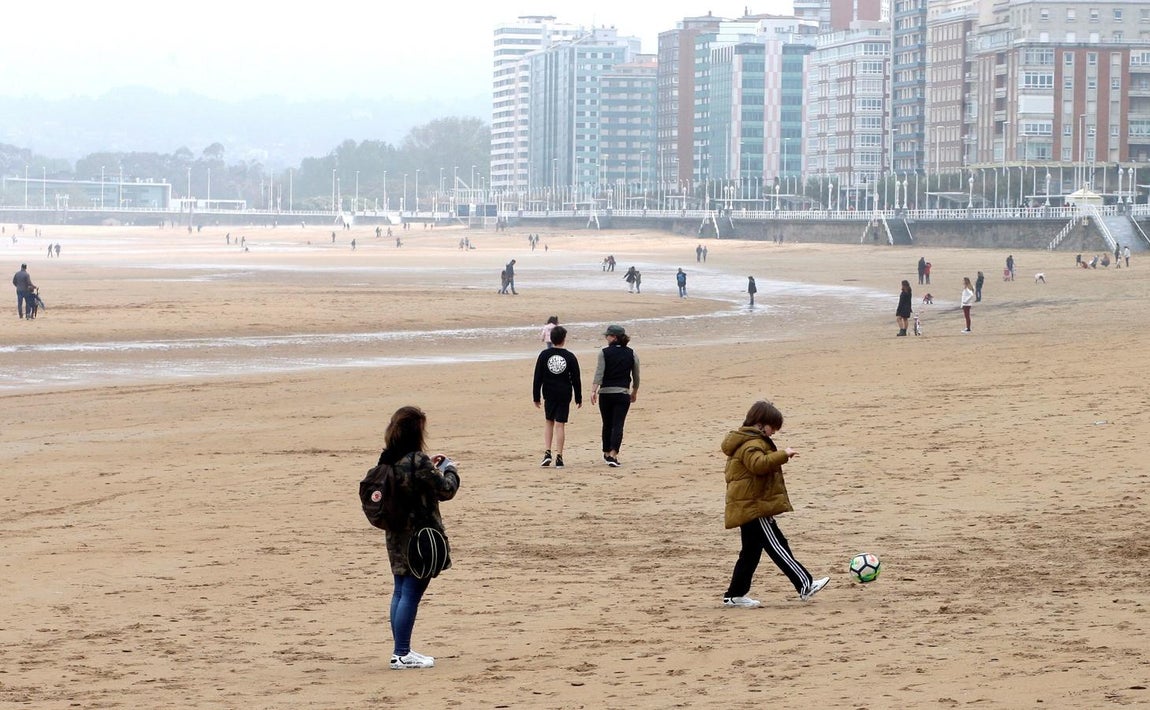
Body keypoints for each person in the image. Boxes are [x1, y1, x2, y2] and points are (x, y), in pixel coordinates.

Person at [373, 406, 459, 670]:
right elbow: (446, 490)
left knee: (400, 591)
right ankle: (401, 653)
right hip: (421, 535)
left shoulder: (387, 459)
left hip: (396, 534)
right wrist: (450, 469)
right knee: (410, 592)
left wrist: (432, 467)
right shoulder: (417, 461)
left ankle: (400, 650)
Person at [721, 400, 829, 607]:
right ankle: (805, 584)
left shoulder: (746, 441)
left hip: (749, 505)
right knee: (778, 546)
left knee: (750, 553)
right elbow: (759, 465)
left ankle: (734, 595)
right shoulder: (751, 444)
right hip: (754, 507)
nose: (773, 433)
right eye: (772, 428)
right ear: (760, 424)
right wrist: (783, 454)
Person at [532, 325, 582, 469]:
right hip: (564, 393)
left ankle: (547, 452)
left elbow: (538, 377)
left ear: (551, 339)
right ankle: (559, 456)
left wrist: (536, 396)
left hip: (549, 393)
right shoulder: (570, 356)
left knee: (549, 422)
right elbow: (576, 379)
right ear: (564, 340)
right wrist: (578, 397)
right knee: (560, 425)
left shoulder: (544, 355)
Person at [591, 324, 639, 467]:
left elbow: (599, 373)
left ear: (614, 337)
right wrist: (634, 391)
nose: (606, 337)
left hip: (605, 393)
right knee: (618, 424)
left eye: (608, 335)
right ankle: (613, 454)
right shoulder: (631, 353)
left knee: (607, 423)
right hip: (622, 393)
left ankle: (606, 452)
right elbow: (636, 376)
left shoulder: (604, 353)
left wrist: (593, 390)